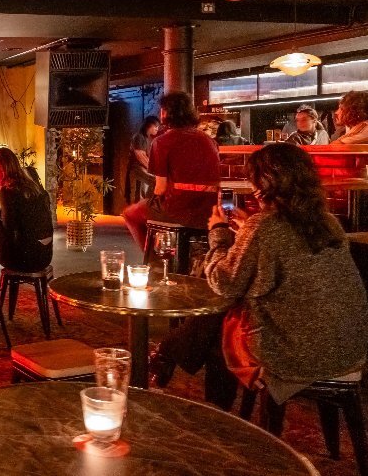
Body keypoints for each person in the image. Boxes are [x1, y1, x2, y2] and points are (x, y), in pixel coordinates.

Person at [150, 144, 368, 408]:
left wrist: (219, 232)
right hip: (347, 349)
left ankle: (209, 403)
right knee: (230, 312)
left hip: (297, 354)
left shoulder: (265, 226)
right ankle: (168, 354)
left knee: (223, 324)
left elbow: (224, 282)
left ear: (264, 184)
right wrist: (248, 232)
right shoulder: (328, 221)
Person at [122, 92, 221, 250]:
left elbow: (160, 188)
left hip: (179, 209)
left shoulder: (162, 142)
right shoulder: (209, 140)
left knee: (131, 214)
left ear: (166, 112)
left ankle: (154, 259)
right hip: (209, 211)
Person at [0, 148, 54, 274]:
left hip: (25, 259)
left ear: (3, 166)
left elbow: (9, 229)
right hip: (45, 255)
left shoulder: (8, 191)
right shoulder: (31, 184)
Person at [126, 116, 160, 203]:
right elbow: (140, 156)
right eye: (156, 126)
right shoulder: (139, 137)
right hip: (137, 169)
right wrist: (152, 169)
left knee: (142, 194)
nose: (157, 128)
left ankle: (142, 211)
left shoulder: (147, 138)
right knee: (154, 182)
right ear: (149, 125)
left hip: (142, 169)